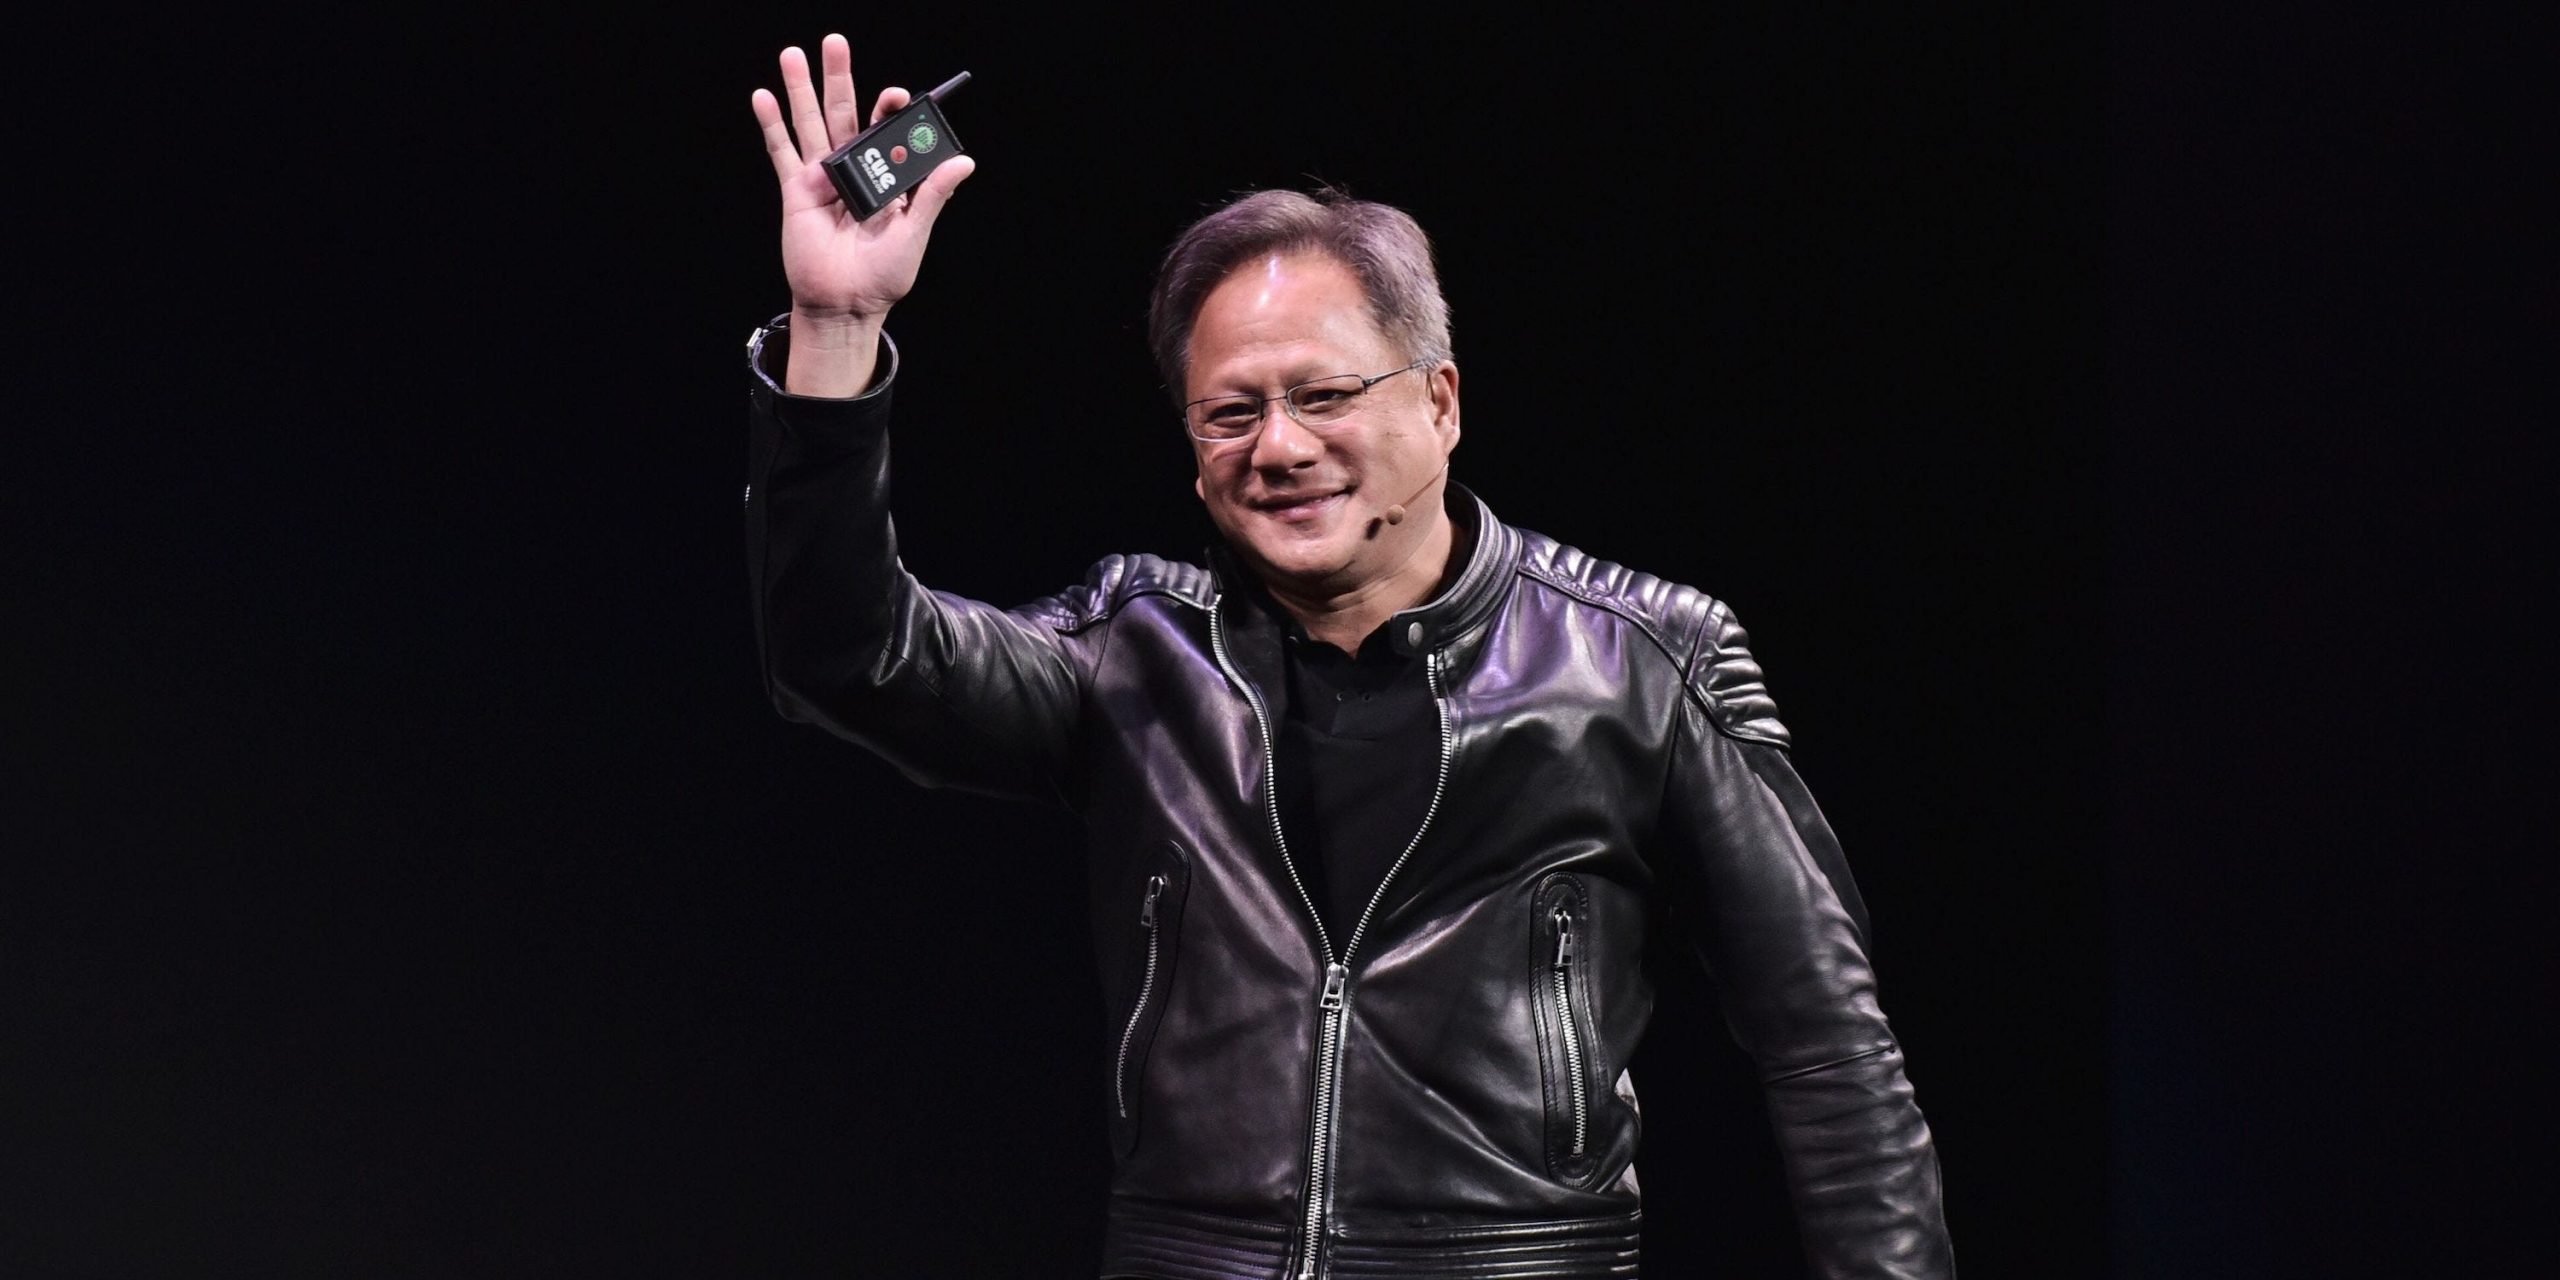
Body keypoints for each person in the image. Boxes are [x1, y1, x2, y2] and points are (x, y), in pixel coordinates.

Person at [742, 35, 1955, 1280]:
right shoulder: (1135, 654)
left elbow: (1830, 1054)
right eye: (1231, 411)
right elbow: (850, 657)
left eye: (1322, 397)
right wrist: (835, 329)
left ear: (1439, 401)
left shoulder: (1644, 663)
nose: (1277, 446)